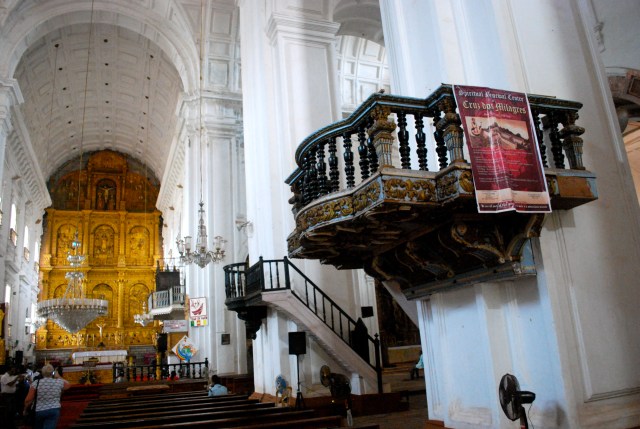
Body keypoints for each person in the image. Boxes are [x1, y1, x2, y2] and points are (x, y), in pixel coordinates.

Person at [23, 363, 70, 429]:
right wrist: (58, 376)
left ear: (42, 373)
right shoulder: (58, 382)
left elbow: (29, 399)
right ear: (52, 373)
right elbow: (68, 385)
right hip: (54, 408)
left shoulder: (36, 383)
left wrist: (25, 409)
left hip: (39, 410)